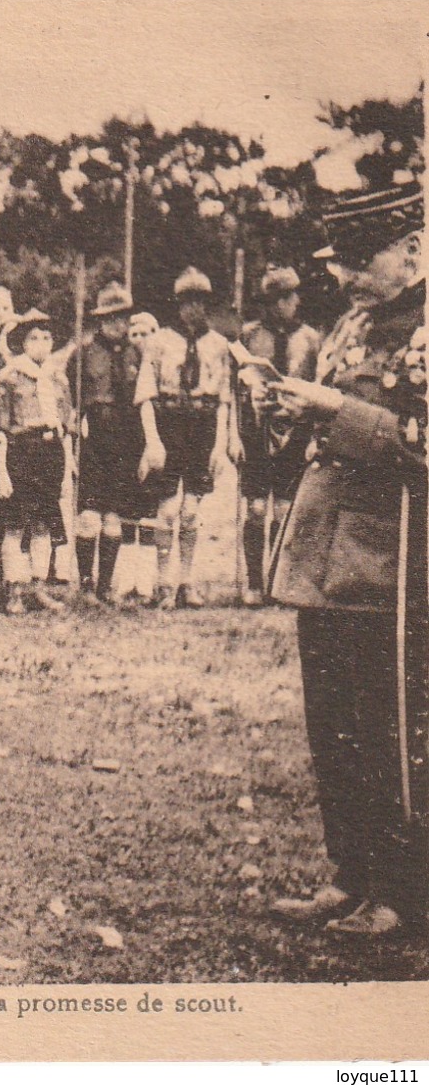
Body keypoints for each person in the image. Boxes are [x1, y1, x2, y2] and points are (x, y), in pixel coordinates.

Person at [266, 181, 425, 937]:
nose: (343, 276)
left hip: (397, 559)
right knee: (331, 722)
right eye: (341, 262)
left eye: (361, 259)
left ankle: (404, 891)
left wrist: (336, 410)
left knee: (388, 727)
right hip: (326, 554)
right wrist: (281, 407)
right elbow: (315, 429)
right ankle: (350, 872)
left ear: (414, 249)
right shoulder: (347, 326)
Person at [135, 267, 233, 609]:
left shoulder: (219, 345)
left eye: (200, 302)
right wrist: (152, 441)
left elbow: (223, 401)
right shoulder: (158, 342)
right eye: (187, 302)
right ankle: (163, 582)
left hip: (202, 426)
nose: (194, 309)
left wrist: (220, 445)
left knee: (191, 510)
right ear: (176, 305)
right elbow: (146, 396)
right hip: (169, 423)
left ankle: (186, 581)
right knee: (167, 509)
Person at [235, 266, 322, 605]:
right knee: (256, 508)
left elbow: (319, 388)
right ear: (268, 304)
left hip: (296, 431)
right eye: (278, 299)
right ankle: (254, 583)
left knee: (285, 509)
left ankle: (277, 583)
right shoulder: (250, 336)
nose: (287, 304)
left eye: (290, 297)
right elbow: (237, 387)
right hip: (257, 430)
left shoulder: (311, 339)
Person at [0, 309, 74, 614]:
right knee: (15, 525)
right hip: (21, 452)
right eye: (34, 338)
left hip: (50, 453)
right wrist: (3, 467)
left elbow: (66, 421)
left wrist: (67, 463)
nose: (41, 343)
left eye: (46, 337)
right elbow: (0, 426)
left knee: (43, 524)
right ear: (23, 344)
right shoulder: (10, 377)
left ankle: (38, 587)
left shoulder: (58, 378)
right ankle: (15, 589)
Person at [70, 282, 145, 604]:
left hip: (125, 440)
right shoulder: (83, 353)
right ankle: (86, 585)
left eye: (124, 317)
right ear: (100, 320)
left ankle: (105, 587)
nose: (119, 324)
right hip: (93, 438)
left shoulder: (136, 354)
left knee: (114, 516)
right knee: (89, 514)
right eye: (112, 318)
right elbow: (69, 398)